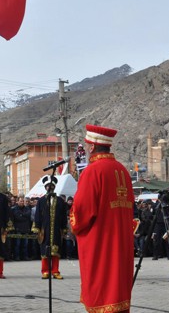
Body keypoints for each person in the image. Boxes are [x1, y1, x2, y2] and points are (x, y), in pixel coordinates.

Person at [70, 124, 134, 312]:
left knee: (102, 291)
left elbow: (82, 211)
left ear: (91, 147)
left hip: (101, 242)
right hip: (122, 243)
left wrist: (72, 221)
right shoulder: (122, 170)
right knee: (118, 290)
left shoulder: (92, 171)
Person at [33, 175, 67, 279]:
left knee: (56, 251)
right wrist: (37, 228)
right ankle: (45, 271)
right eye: (48, 186)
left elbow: (63, 215)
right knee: (45, 251)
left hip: (56, 230)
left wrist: (64, 228)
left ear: (54, 186)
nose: (49, 187)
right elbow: (37, 215)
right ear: (45, 187)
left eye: (51, 185)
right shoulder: (41, 201)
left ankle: (55, 271)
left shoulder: (60, 201)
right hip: (45, 230)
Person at [11, 196, 32, 261]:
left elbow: (28, 215)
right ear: (17, 201)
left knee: (25, 244)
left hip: (25, 229)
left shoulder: (27, 208)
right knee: (17, 244)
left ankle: (24, 256)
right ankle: (17, 257)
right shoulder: (14, 209)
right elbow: (17, 217)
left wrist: (21, 215)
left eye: (23, 201)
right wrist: (23, 215)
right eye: (21, 201)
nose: (22, 202)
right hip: (18, 229)